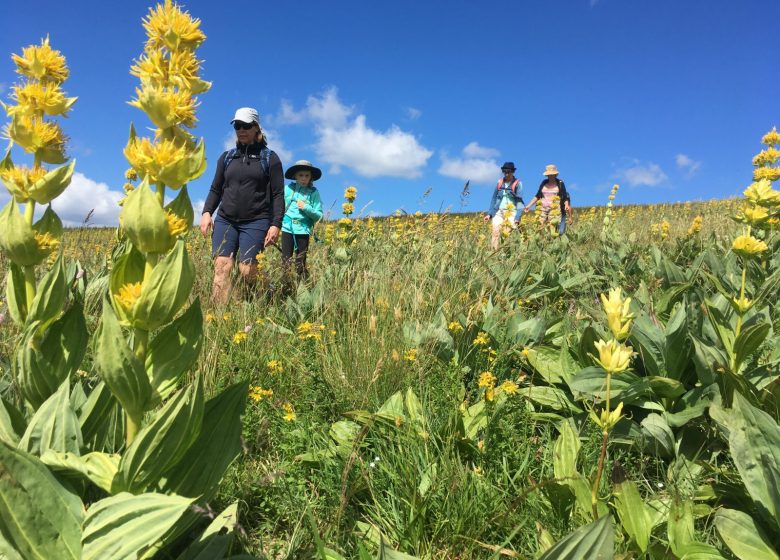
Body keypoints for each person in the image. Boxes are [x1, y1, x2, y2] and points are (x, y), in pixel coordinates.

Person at [200, 107, 284, 304]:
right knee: (222, 266)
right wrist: (206, 212)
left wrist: (275, 224)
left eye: (246, 125)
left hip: (256, 220)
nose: (241, 129)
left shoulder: (270, 158)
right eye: (237, 125)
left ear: (256, 128)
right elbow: (215, 188)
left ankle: (268, 295)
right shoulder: (227, 157)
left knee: (247, 270)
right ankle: (218, 319)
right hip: (226, 219)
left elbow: (278, 195)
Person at [281, 159, 323, 283]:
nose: (304, 178)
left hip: (303, 230)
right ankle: (286, 288)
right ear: (295, 176)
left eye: (307, 175)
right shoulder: (288, 189)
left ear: (311, 177)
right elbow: (279, 206)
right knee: (285, 262)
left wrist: (306, 207)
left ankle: (302, 288)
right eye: (300, 175)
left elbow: (319, 215)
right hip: (287, 228)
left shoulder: (314, 193)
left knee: (300, 263)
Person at [483, 161, 524, 250]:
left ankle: (505, 253)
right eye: (504, 171)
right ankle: (493, 253)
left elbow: (520, 202)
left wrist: (517, 217)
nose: (506, 174)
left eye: (508, 172)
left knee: (506, 234)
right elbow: (494, 199)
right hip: (499, 211)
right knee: (495, 232)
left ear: (512, 172)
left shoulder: (518, 184)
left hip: (512, 211)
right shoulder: (499, 183)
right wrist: (489, 214)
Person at [523, 164, 572, 235]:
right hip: (543, 208)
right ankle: (542, 241)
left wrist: (566, 205)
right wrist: (528, 206)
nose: (551, 176)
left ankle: (551, 241)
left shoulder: (560, 183)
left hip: (555, 209)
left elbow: (564, 196)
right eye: (549, 175)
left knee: (552, 228)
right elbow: (538, 195)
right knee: (539, 226)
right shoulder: (544, 183)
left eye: (552, 174)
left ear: (555, 175)